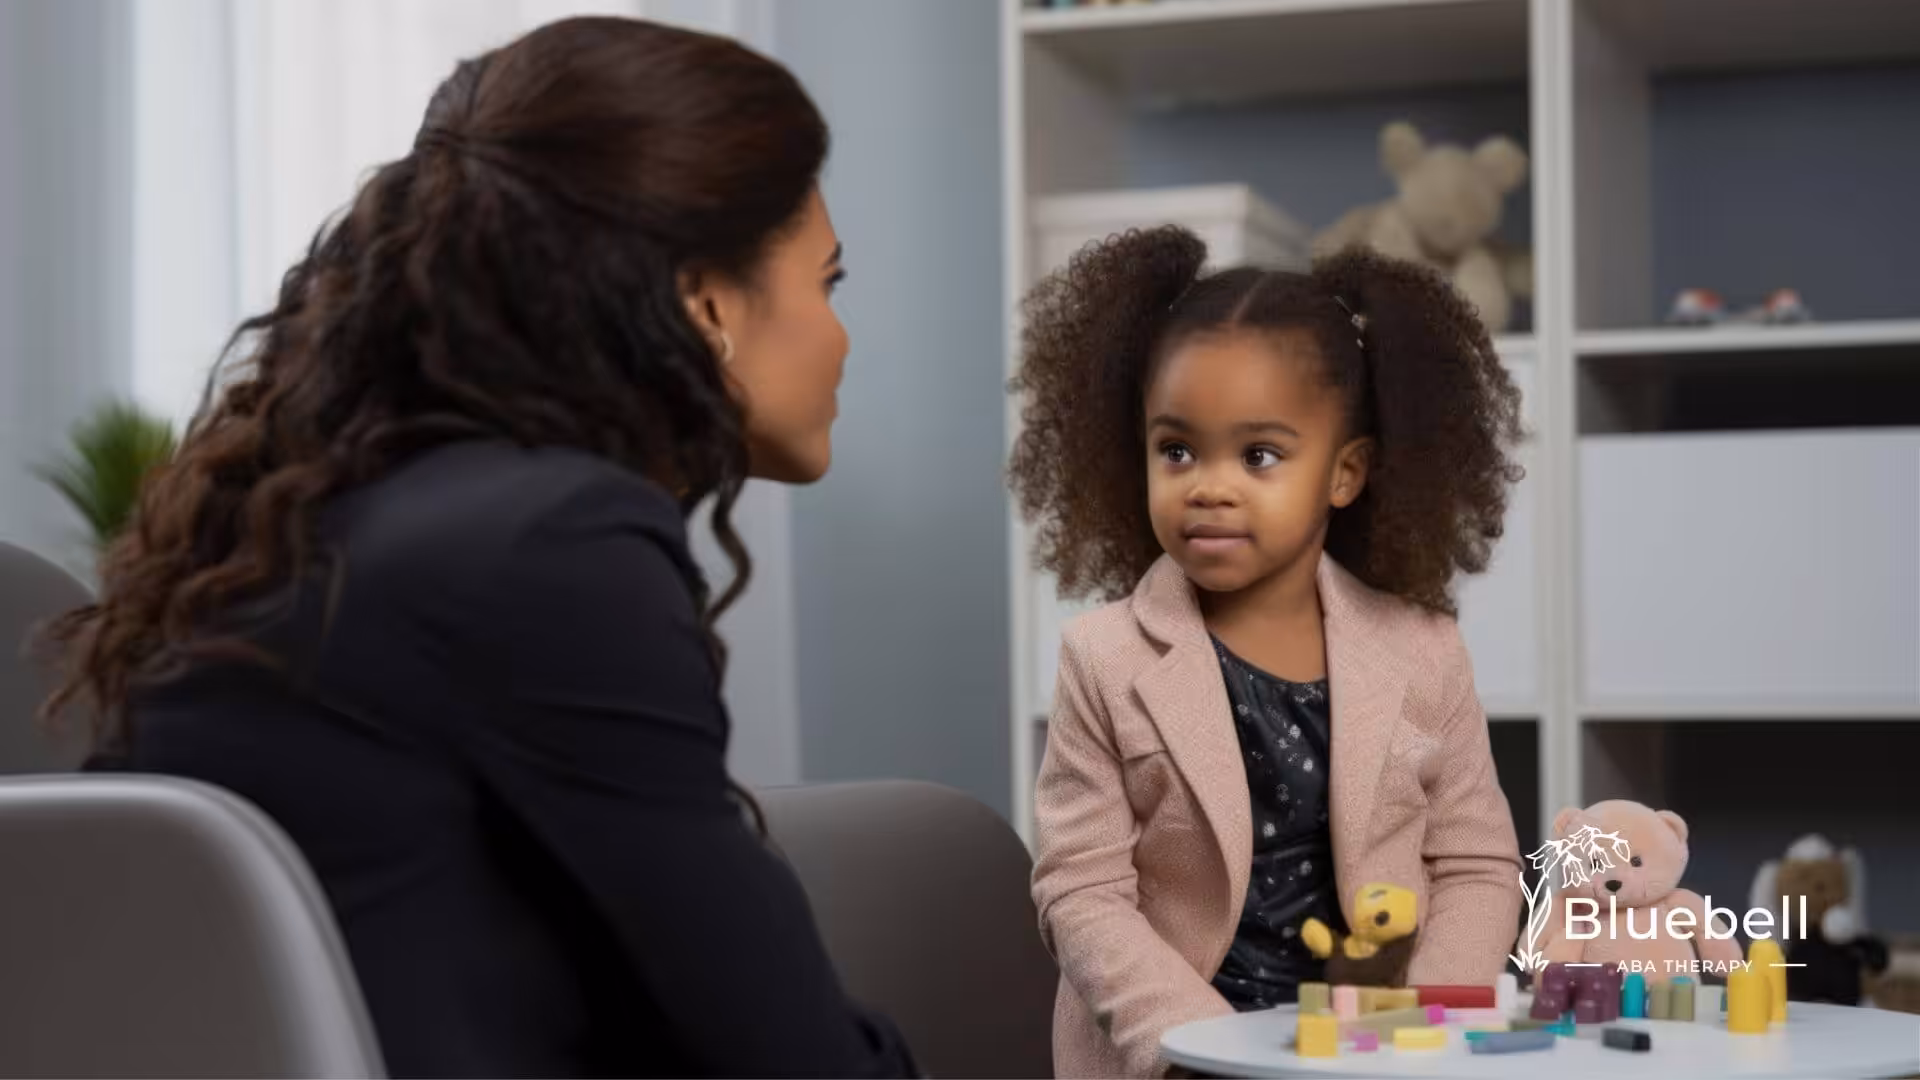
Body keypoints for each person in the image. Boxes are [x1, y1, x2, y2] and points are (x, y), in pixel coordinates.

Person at [39, 17, 918, 1079]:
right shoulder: (555, 545)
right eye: (828, 281)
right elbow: (790, 1055)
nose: (841, 335)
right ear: (706, 305)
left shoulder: (324, 516)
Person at [1008, 226, 1527, 1077]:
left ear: (1345, 473)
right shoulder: (1101, 659)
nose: (1208, 484)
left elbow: (1476, 865)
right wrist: (1197, 1050)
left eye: (1258, 455)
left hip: (1376, 1052)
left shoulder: (1424, 651)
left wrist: (1417, 1027)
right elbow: (1081, 892)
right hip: (1179, 1055)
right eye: (1176, 449)